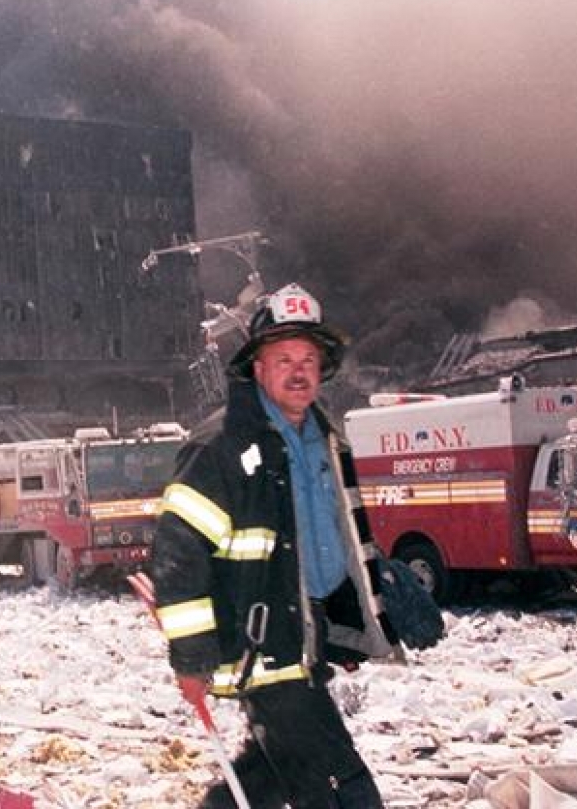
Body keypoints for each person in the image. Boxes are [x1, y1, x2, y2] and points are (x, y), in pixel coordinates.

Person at [149, 283, 400, 809]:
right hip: (260, 647)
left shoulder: (327, 438)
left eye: (309, 358)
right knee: (338, 785)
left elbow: (333, 542)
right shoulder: (220, 446)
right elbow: (179, 554)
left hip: (306, 638)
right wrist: (191, 659)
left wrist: (354, 624)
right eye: (283, 357)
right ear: (256, 368)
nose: (298, 370)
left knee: (265, 776)